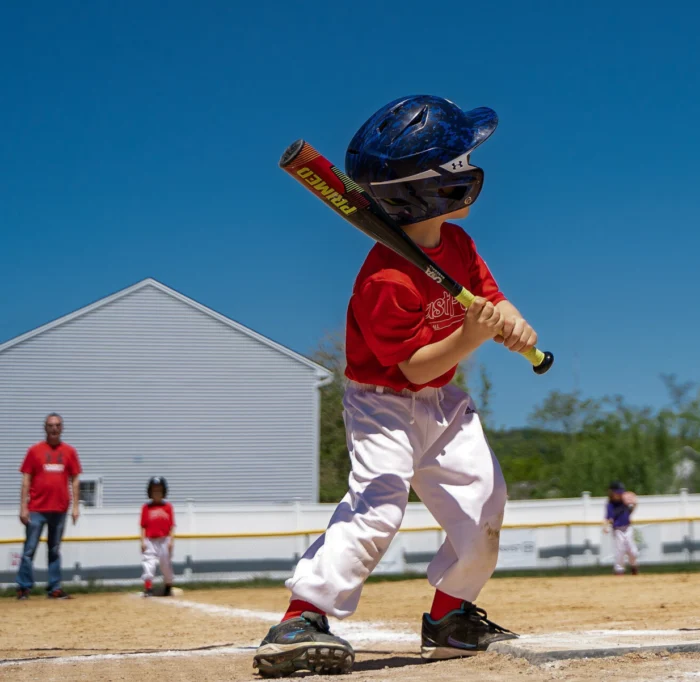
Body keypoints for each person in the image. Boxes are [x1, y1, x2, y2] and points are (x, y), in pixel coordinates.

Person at [253, 95, 538, 678]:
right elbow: (414, 367)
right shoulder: (384, 276)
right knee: (379, 504)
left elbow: (489, 294)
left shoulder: (456, 246)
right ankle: (301, 616)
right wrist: (473, 337)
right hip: (382, 405)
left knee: (484, 501)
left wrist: (510, 318)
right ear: (429, 188)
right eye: (456, 163)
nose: (467, 168)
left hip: (442, 403)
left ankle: (451, 614)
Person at [15, 413, 81, 600]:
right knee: (29, 549)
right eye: (51, 425)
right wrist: (23, 507)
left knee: (54, 549)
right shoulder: (34, 451)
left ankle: (54, 587)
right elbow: (26, 479)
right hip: (36, 509)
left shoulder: (69, 452)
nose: (54, 428)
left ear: (62, 428)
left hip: (59, 509)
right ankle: (24, 587)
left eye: (58, 425)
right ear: (45, 427)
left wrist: (76, 506)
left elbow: (75, 480)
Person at [140, 476, 176, 596]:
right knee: (148, 563)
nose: (157, 493)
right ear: (150, 492)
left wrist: (171, 540)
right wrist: (142, 541)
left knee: (165, 563)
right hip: (150, 539)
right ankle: (148, 587)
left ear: (164, 492)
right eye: (154, 491)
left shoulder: (168, 507)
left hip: (165, 539)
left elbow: (171, 526)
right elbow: (143, 526)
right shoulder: (146, 507)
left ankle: (168, 585)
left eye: (159, 491)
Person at [603, 481, 639, 575]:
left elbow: (630, 511)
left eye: (620, 492)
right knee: (620, 550)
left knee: (632, 550)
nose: (619, 494)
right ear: (612, 493)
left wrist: (634, 504)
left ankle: (633, 565)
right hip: (617, 529)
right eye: (617, 492)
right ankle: (619, 570)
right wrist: (605, 526)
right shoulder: (610, 504)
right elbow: (608, 517)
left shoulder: (625, 501)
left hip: (628, 528)